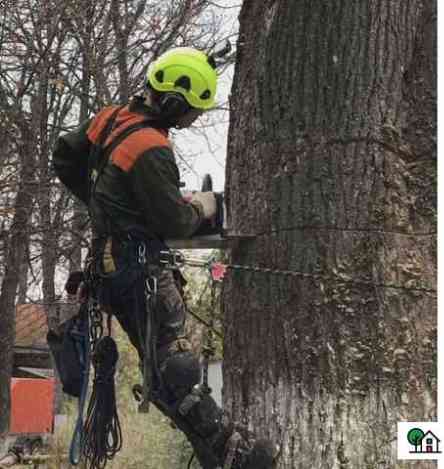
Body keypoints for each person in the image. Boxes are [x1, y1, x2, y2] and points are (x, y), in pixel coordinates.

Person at [52, 47, 273, 469]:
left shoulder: (110, 118)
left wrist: (108, 205)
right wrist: (203, 207)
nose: (191, 119)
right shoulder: (151, 146)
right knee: (176, 364)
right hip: (138, 269)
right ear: (173, 100)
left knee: (161, 368)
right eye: (190, 110)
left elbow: (64, 154)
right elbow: (174, 221)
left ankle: (212, 453)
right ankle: (233, 453)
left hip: (111, 264)